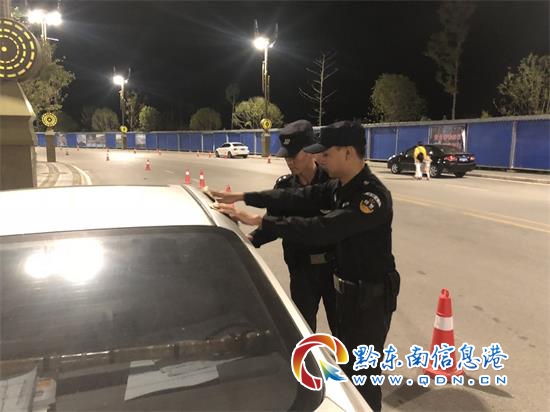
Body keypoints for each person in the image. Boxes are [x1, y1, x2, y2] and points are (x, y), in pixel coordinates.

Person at [212, 121, 400, 411]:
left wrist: (260, 220)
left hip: (369, 299)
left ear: (348, 152)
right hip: (346, 291)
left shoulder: (369, 197)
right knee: (345, 368)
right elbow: (294, 196)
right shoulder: (339, 186)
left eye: (326, 153)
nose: (321, 159)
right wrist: (244, 197)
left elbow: (323, 228)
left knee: (363, 376)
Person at [234, 120, 336, 334]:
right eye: (286, 157)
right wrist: (249, 240)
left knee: (342, 328)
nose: (289, 161)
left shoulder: (333, 183)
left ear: (310, 151)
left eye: (293, 156)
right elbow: (272, 223)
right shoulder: (284, 187)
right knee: (303, 330)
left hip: (334, 268)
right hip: (301, 271)